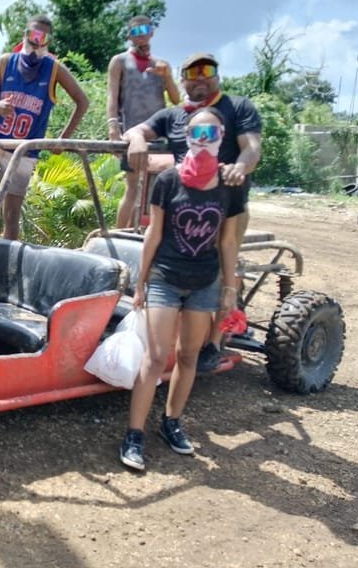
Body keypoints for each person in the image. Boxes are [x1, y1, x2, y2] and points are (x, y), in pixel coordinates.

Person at [119, 107, 245, 471]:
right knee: (155, 357)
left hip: (205, 282)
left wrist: (229, 288)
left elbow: (227, 241)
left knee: (188, 357)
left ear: (222, 138)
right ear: (186, 138)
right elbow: (153, 234)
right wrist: (139, 283)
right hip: (165, 278)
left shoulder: (229, 186)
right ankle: (134, 434)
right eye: (196, 135)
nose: (203, 143)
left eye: (212, 136)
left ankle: (171, 422)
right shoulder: (169, 180)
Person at [122, 52, 262, 371]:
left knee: (224, 268)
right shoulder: (173, 115)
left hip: (226, 206)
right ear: (182, 80)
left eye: (207, 70)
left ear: (217, 74)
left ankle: (213, 343)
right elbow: (138, 130)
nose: (200, 77)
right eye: (191, 72)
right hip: (181, 204)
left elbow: (251, 147)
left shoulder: (237, 108)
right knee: (168, 259)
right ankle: (172, 332)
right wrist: (137, 141)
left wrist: (240, 168)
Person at [0, 15, 89, 240]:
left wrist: (62, 139)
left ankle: (4, 265)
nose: (36, 42)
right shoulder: (5, 62)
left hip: (23, 150)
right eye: (32, 35)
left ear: (47, 41)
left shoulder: (54, 69)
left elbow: (82, 101)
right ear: (24, 35)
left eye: (42, 37)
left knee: (11, 215)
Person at [107, 16, 180, 228]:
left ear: (152, 32)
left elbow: (175, 99)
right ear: (129, 35)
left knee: (155, 189)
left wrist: (167, 77)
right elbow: (112, 96)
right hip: (131, 134)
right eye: (136, 31)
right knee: (132, 187)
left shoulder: (161, 64)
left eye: (145, 29)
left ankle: (145, 235)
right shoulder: (120, 61)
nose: (141, 35)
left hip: (158, 135)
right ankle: (120, 235)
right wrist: (113, 127)